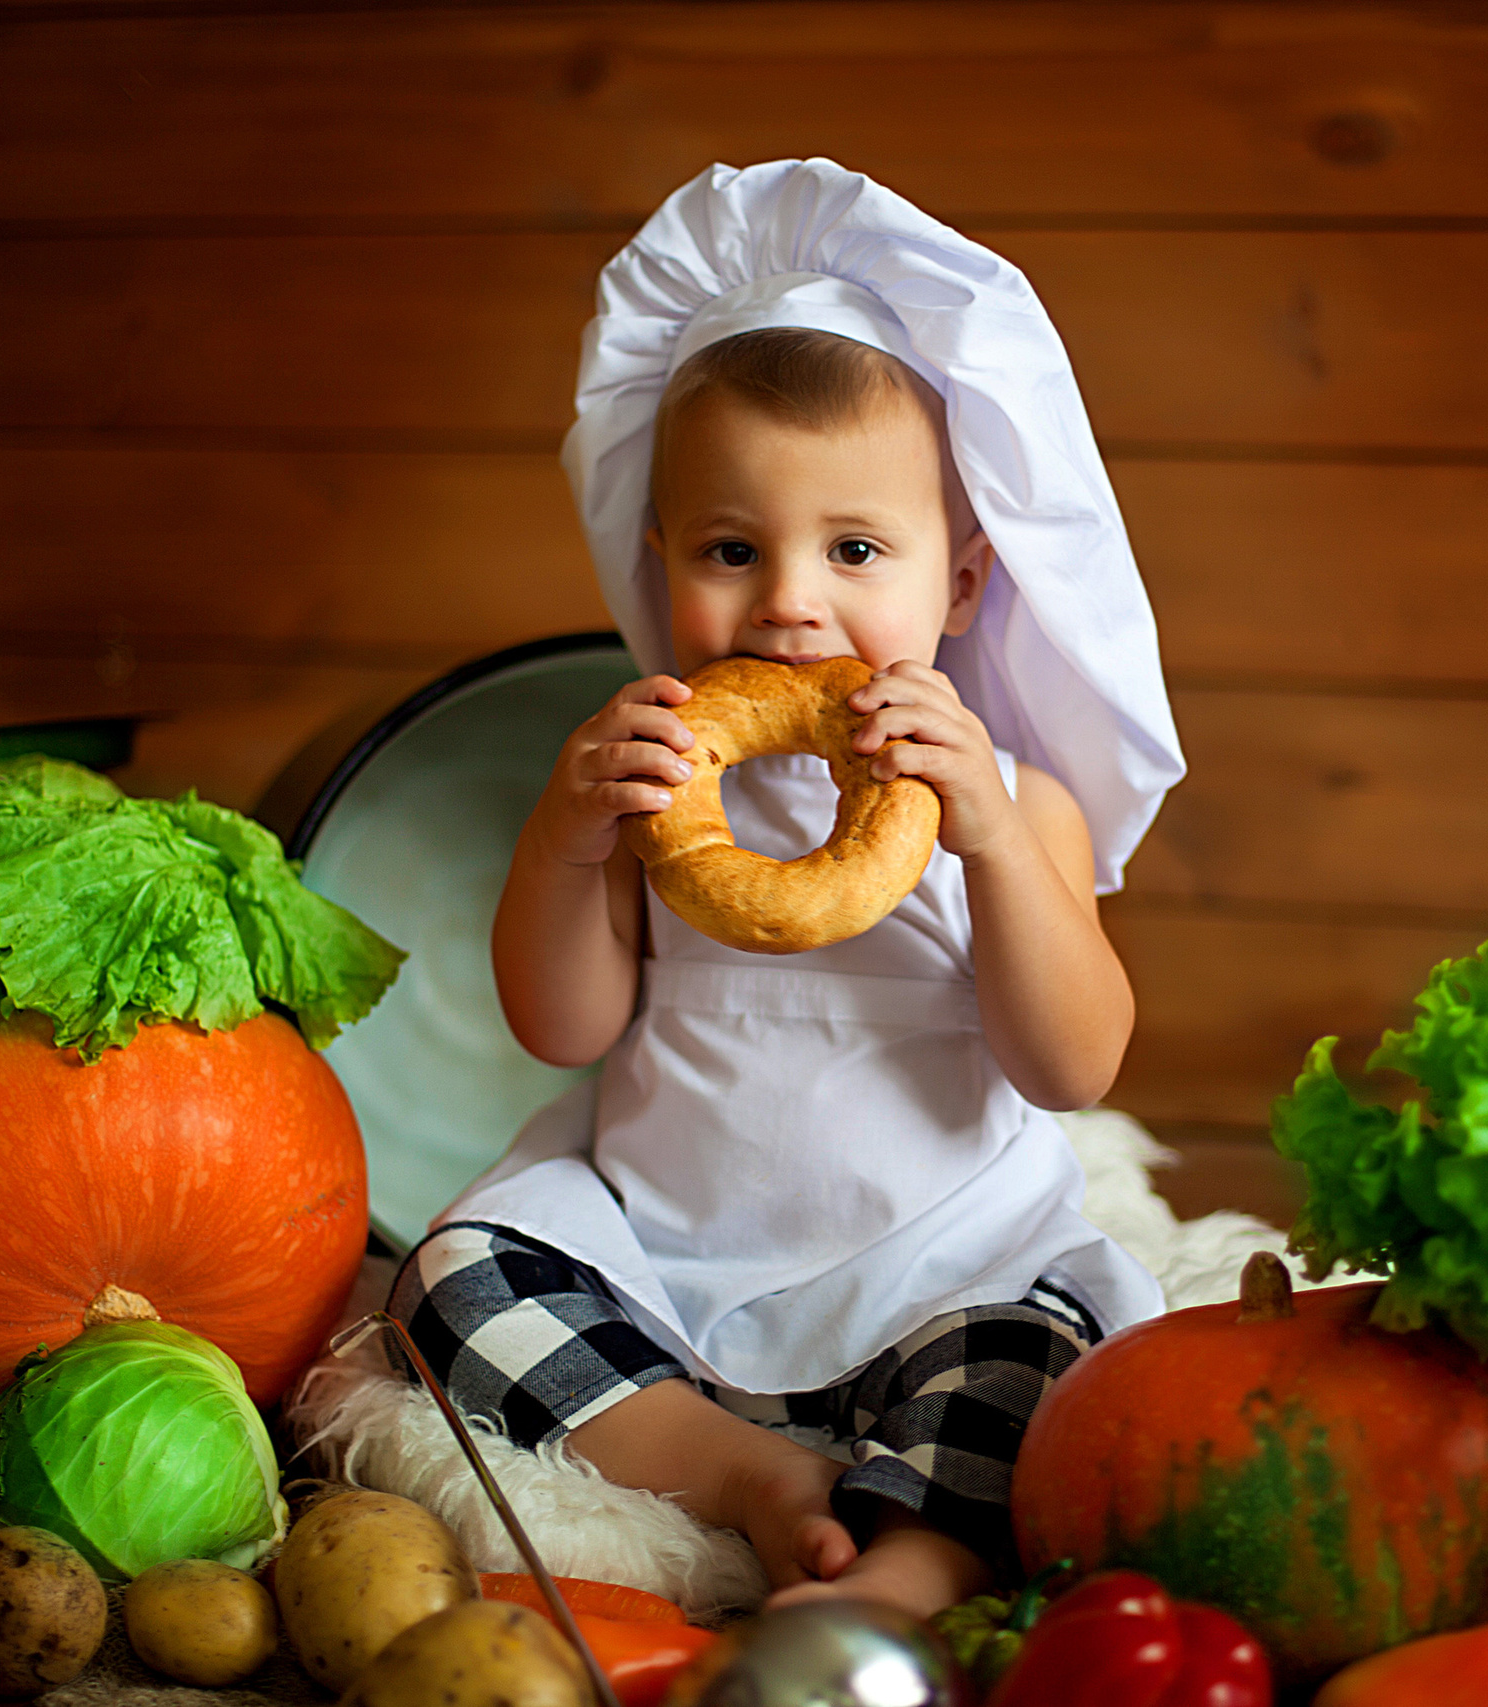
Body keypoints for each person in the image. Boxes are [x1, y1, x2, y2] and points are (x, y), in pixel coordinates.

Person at [391, 159, 1186, 1617]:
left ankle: (908, 1567)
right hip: (671, 1252)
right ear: (660, 562)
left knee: (1046, 1365)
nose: (790, 599)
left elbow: (1072, 1065)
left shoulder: (1016, 799)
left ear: (961, 585)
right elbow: (560, 1028)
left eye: (857, 549)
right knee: (450, 1286)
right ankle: (734, 1470)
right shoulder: (653, 783)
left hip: (941, 1264)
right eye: (731, 549)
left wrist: (998, 843)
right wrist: (569, 839)